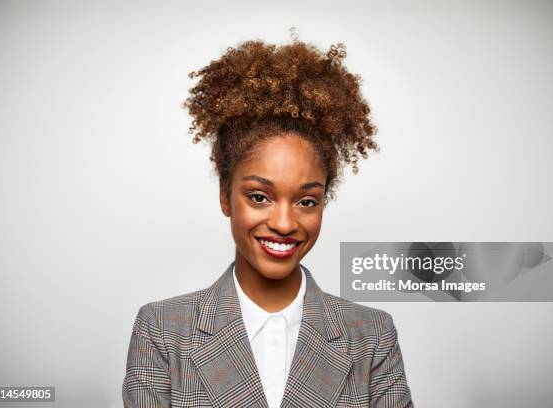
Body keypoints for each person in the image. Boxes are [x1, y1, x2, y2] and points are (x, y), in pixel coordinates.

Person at [122, 36, 414, 408]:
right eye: (260, 197)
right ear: (225, 196)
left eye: (307, 201)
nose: (283, 222)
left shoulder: (372, 336)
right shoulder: (163, 330)